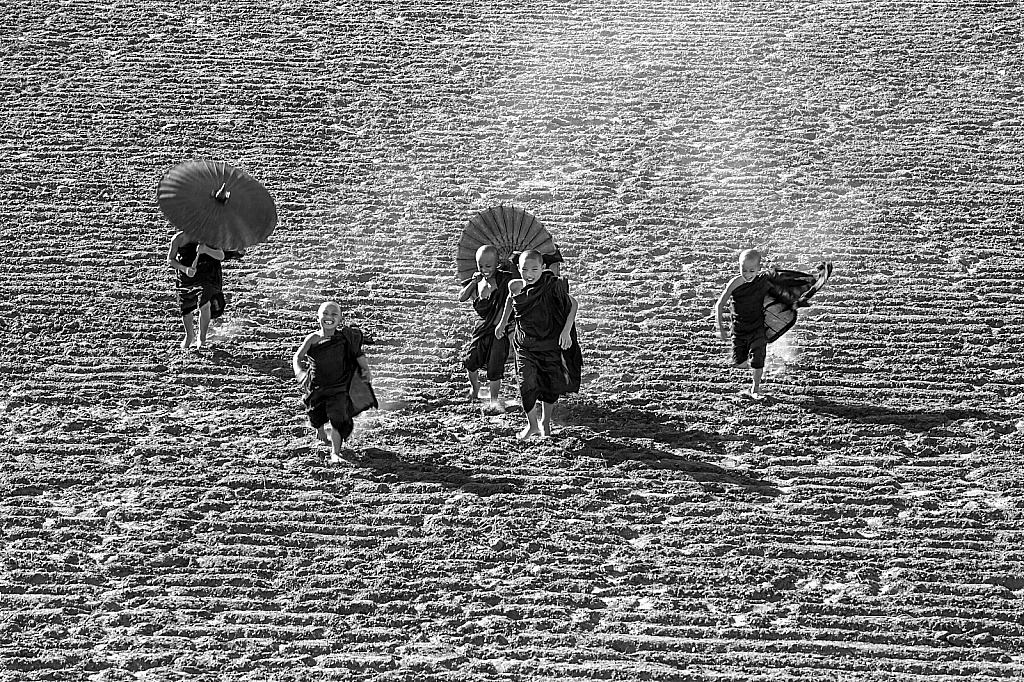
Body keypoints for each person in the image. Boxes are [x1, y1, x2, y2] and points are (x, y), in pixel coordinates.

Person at [714, 249, 833, 399]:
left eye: (752, 270)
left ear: (758, 268)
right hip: (739, 330)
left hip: (758, 329)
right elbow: (720, 304)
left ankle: (755, 388)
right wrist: (720, 328)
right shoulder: (735, 283)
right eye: (744, 270)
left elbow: (783, 293)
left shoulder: (764, 281)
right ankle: (749, 361)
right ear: (739, 266)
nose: (748, 274)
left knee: (758, 360)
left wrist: (797, 301)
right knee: (740, 363)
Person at [495, 250, 582, 440]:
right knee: (526, 384)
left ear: (543, 268)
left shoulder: (551, 286)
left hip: (549, 344)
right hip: (525, 346)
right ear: (518, 269)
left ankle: (545, 422)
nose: (530, 273)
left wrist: (566, 331)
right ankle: (532, 425)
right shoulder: (515, 286)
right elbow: (510, 301)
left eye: (534, 269)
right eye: (525, 269)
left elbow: (573, 304)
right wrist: (503, 323)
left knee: (549, 387)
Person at [293, 301, 377, 462]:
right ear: (318, 316)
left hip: (339, 387)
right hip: (316, 388)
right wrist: (299, 371)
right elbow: (298, 356)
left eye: (334, 314)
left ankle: (336, 453)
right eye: (325, 313)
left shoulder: (345, 338)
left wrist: (365, 369)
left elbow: (357, 353)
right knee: (315, 415)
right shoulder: (313, 338)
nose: (329, 317)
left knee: (338, 418)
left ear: (340, 319)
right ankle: (320, 430)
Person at [459, 245, 515, 415]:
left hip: (500, 331)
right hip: (483, 329)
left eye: (488, 266)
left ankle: (493, 401)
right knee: (471, 360)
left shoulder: (505, 280)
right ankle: (475, 387)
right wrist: (473, 282)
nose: (484, 270)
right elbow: (462, 298)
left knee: (494, 366)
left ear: (497, 263)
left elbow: (514, 296)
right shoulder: (477, 282)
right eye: (480, 266)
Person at [167, 231, 241, 349]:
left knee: (204, 304)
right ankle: (189, 335)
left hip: (206, 274)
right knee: (186, 311)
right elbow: (170, 259)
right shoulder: (177, 239)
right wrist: (184, 269)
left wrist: (206, 250)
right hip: (186, 277)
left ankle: (202, 338)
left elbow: (221, 255)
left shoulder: (209, 236)